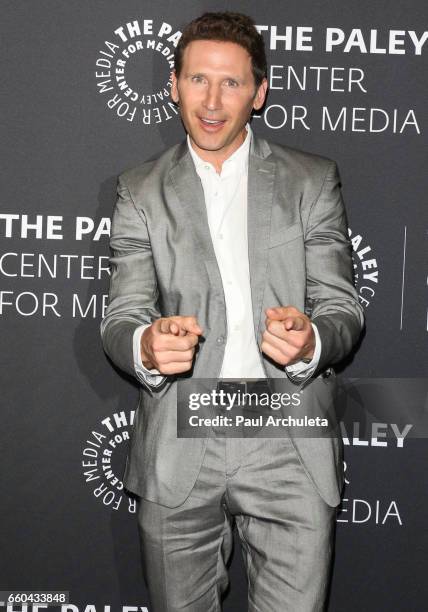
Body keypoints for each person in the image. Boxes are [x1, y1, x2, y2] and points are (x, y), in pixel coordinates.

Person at [100, 11, 364, 612]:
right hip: (181, 435)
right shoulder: (139, 190)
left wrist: (313, 342)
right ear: (173, 85)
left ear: (259, 92)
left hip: (288, 436)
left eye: (232, 83)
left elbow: (342, 308)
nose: (212, 101)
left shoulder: (311, 181)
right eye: (198, 80)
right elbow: (121, 316)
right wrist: (145, 345)